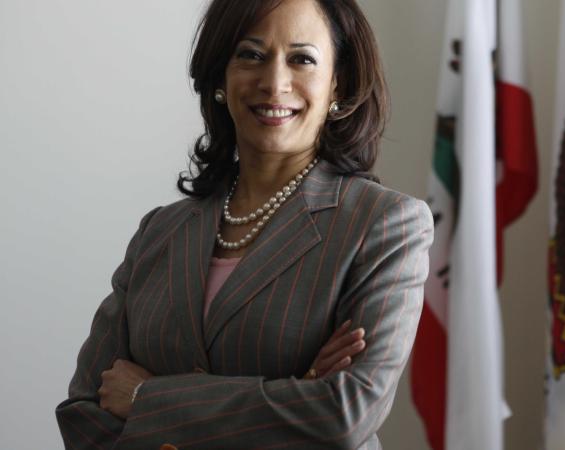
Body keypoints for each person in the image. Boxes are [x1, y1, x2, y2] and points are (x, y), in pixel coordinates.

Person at [55, 0, 433, 447]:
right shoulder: (159, 231)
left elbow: (344, 415)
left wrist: (147, 398)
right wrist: (296, 391)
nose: (274, 82)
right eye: (251, 55)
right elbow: (82, 412)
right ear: (220, 78)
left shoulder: (384, 225)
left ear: (338, 84)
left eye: (302, 59)